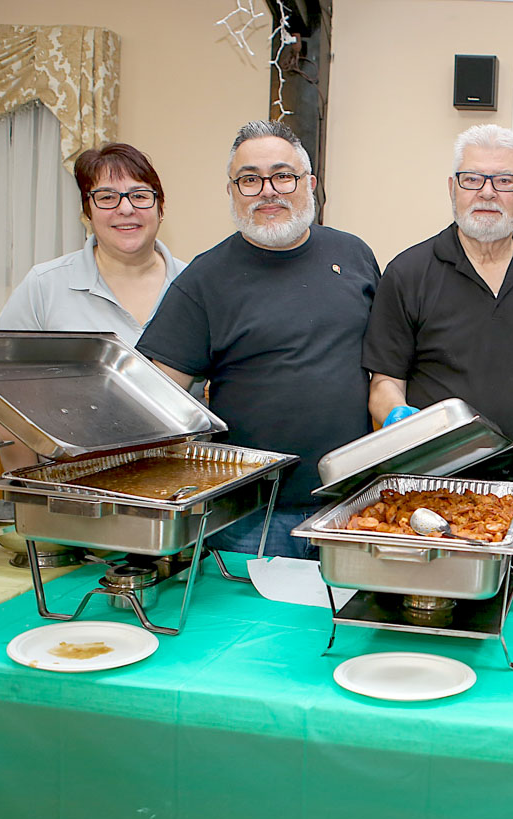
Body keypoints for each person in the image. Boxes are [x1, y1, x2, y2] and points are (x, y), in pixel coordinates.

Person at [137, 120, 379, 559]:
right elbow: (156, 393)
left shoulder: (354, 254)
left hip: (354, 507)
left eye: (282, 175)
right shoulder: (205, 280)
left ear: (309, 184)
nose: (268, 190)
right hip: (252, 518)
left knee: (346, 626)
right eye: (249, 179)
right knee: (253, 628)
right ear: (231, 192)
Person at [362, 124, 513, 585]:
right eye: (472, 179)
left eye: (504, 180)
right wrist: (396, 418)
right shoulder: (408, 274)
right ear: (452, 188)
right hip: (434, 492)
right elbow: (384, 384)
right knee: (435, 617)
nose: (488, 192)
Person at [0, 143, 187, 470]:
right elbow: (4, 399)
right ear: (87, 211)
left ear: (161, 207)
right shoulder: (44, 286)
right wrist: (26, 490)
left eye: (140, 195)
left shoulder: (196, 286)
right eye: (107, 197)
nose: (125, 210)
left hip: (179, 489)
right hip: (74, 492)